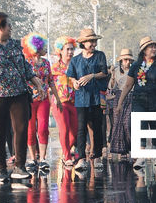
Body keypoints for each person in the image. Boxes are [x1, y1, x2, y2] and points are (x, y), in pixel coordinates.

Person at [0, 13, 44, 185]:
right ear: (0, 27)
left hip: (18, 93)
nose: (11, 28)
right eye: (8, 25)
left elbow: (25, 67)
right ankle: (2, 169)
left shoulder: (14, 44)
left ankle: (19, 166)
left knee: (21, 129)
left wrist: (37, 84)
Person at [118, 36, 156, 168]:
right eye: (150, 47)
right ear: (144, 50)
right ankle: (141, 156)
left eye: (154, 47)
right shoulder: (136, 65)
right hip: (139, 101)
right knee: (139, 126)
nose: (153, 49)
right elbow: (128, 85)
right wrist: (120, 103)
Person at [69, 27, 109, 173]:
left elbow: (104, 72)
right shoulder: (75, 60)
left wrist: (91, 76)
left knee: (97, 126)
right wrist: (74, 82)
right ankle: (81, 159)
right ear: (83, 43)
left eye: (94, 41)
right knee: (81, 129)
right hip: (81, 98)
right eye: (90, 41)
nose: (93, 44)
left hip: (96, 97)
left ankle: (97, 155)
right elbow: (71, 75)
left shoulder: (100, 56)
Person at [23, 34, 62, 175]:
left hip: (44, 99)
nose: (46, 49)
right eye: (44, 46)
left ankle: (43, 158)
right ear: (36, 48)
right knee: (30, 130)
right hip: (30, 100)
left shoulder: (46, 63)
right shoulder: (26, 62)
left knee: (43, 128)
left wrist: (57, 98)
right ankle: (33, 159)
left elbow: (51, 81)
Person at [51, 37, 78, 169]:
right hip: (59, 103)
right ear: (60, 51)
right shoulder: (54, 68)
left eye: (72, 49)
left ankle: (66, 150)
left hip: (75, 102)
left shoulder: (77, 65)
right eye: (67, 49)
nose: (70, 52)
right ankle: (67, 157)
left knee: (76, 131)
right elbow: (48, 84)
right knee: (64, 129)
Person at [107, 47, 135, 161]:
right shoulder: (117, 71)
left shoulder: (135, 70)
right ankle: (122, 150)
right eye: (125, 60)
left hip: (131, 96)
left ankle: (132, 148)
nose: (127, 62)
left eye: (129, 60)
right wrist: (112, 76)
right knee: (118, 124)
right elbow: (111, 87)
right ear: (121, 60)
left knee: (128, 123)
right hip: (118, 97)